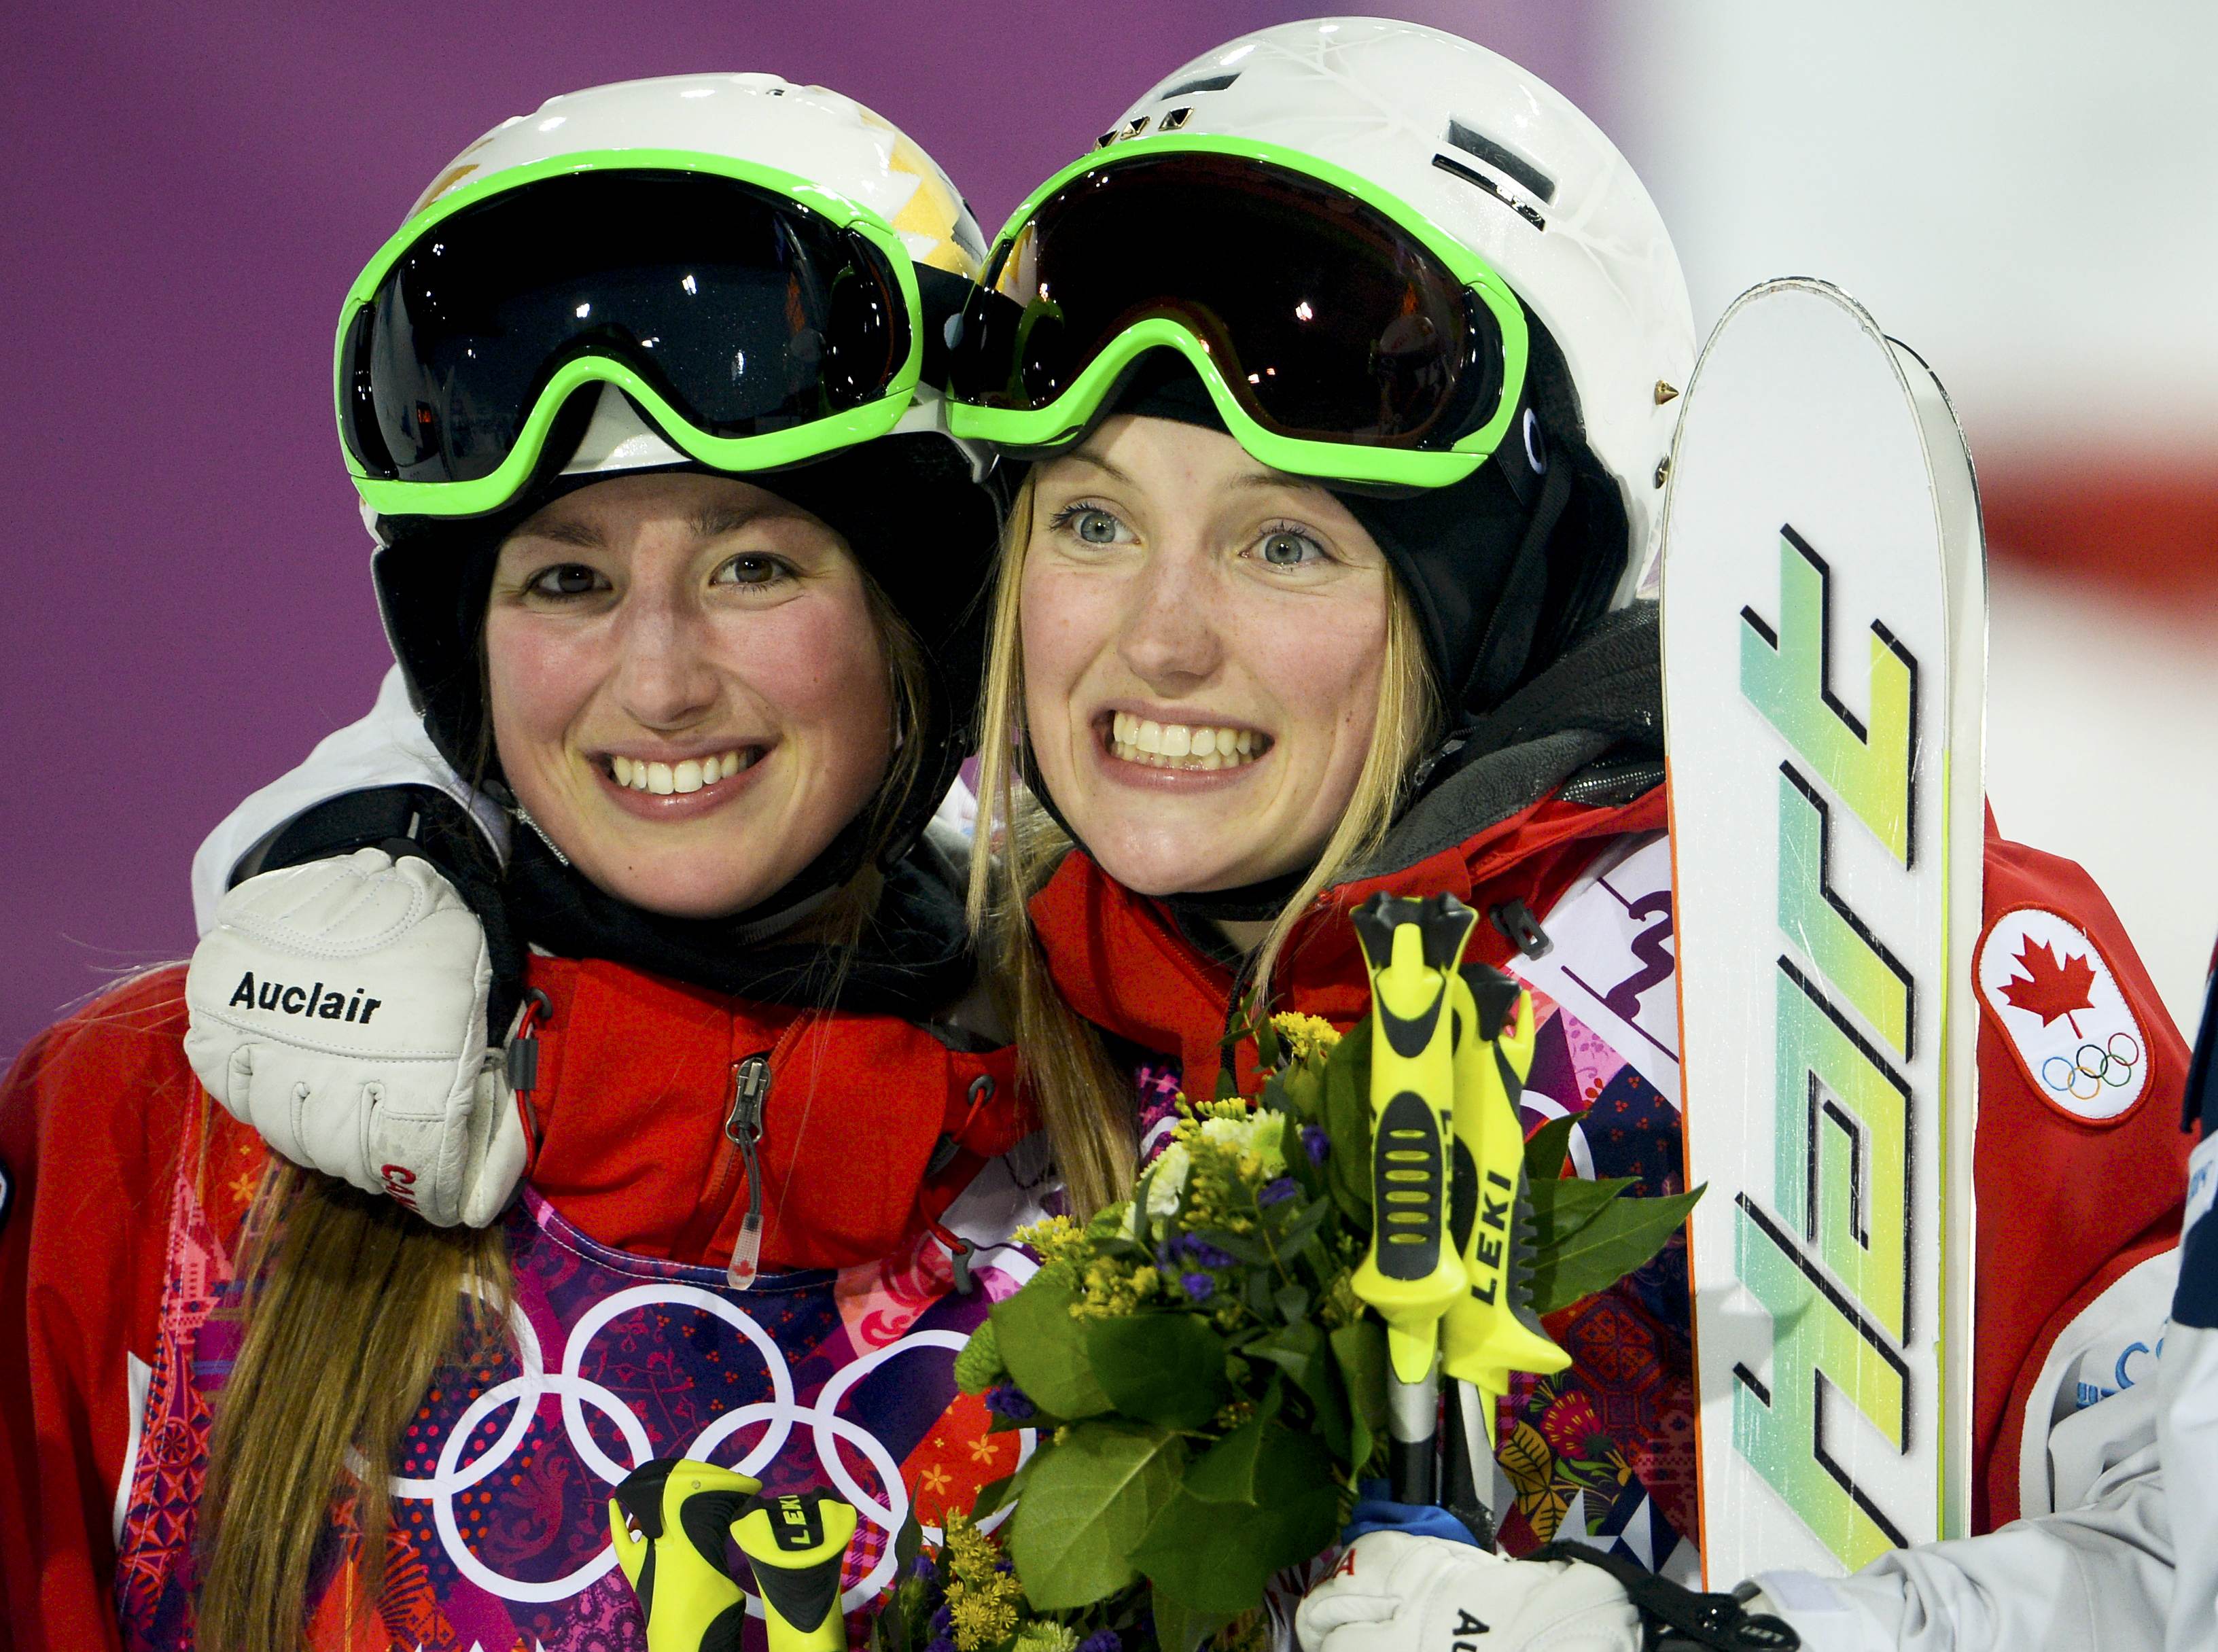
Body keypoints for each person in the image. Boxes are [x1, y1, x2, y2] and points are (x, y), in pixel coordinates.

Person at [135, 16, 2191, 1649]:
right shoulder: (1017, 1031)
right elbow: (686, 833)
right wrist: (386, 816)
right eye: (1096, 522)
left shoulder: (1852, 957)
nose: (1159, 640)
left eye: (1286, 542)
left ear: (1503, 594)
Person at [0, 75, 1047, 1652]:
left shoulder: (1130, 1170)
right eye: (565, 579)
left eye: (753, 562)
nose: (659, 680)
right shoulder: (153, 1131)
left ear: (923, 618)